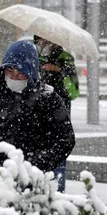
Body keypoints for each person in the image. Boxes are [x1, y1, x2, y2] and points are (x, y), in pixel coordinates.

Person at [0, 40, 75, 174]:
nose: (14, 76)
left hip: (32, 179)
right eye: (10, 70)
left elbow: (65, 139)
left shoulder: (48, 99)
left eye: (21, 72)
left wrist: (35, 166)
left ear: (31, 72)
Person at [34, 35, 79, 192]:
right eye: (38, 41)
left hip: (59, 117)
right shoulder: (35, 58)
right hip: (36, 118)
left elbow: (73, 91)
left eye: (44, 41)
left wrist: (59, 71)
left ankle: (58, 191)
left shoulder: (65, 59)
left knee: (58, 154)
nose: (41, 44)